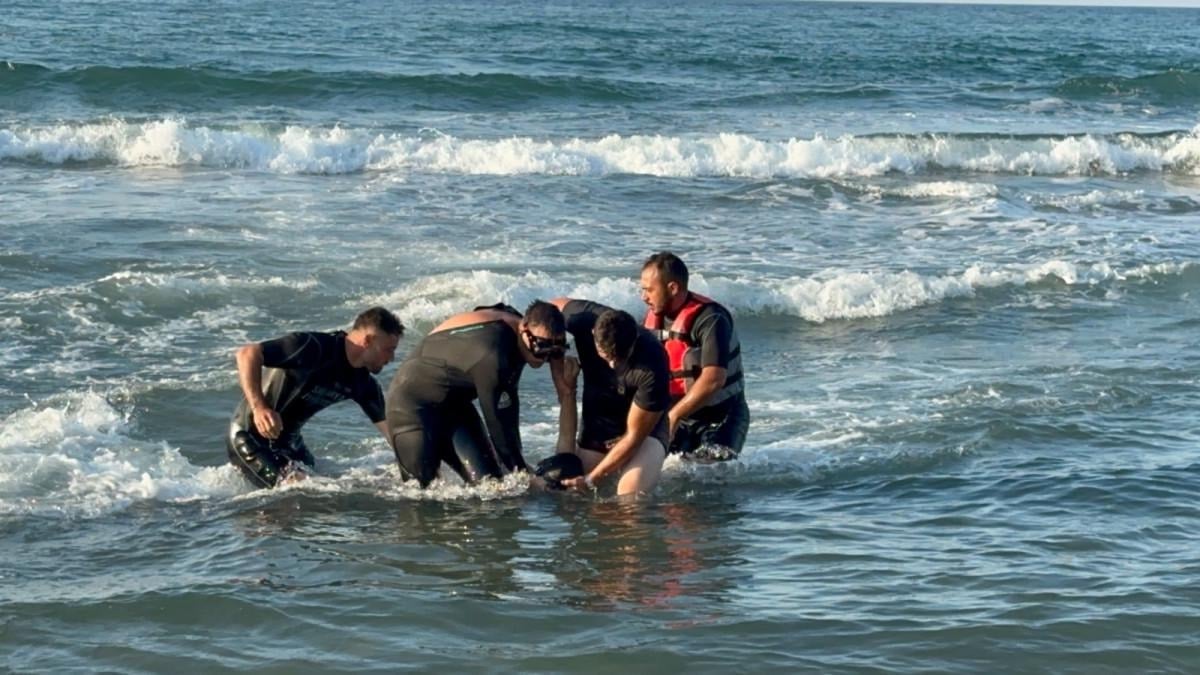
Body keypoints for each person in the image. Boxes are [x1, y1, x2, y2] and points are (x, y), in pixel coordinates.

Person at [385, 300, 573, 488]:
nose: (545, 358)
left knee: (490, 485)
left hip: (455, 406)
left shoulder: (519, 326)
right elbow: (499, 427)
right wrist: (524, 473)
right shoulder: (494, 356)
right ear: (524, 327)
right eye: (541, 347)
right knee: (420, 494)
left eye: (555, 352)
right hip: (410, 406)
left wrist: (560, 380)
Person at [227, 307, 404, 488]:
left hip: (291, 446)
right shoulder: (312, 348)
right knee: (303, 491)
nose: (392, 358)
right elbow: (247, 353)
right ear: (368, 340)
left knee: (327, 488)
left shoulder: (364, 385)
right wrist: (260, 408)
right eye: (389, 349)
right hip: (250, 437)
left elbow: (394, 436)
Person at [548, 299, 670, 496]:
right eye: (606, 356)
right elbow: (545, 315)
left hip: (645, 428)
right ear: (593, 334)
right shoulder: (582, 318)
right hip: (601, 417)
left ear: (635, 340)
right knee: (572, 490)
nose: (613, 365)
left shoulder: (653, 362)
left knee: (629, 494)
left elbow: (634, 437)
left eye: (621, 357)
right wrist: (558, 368)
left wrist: (592, 479)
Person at [639, 252, 749, 461]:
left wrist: (674, 416)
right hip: (681, 417)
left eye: (649, 290)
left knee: (709, 473)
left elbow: (714, 379)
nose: (644, 297)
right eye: (642, 290)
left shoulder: (711, 319)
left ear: (673, 288)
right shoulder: (653, 318)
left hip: (722, 418)